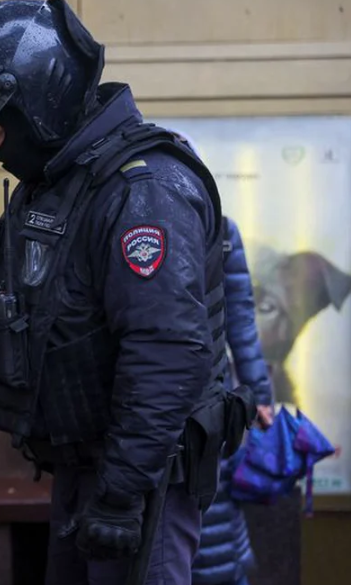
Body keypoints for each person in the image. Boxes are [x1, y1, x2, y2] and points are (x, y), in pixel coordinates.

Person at [0, 2, 254, 584]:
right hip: (84, 459)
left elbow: (168, 351)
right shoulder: (58, 184)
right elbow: (1, 294)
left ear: (37, 103)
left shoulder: (144, 189)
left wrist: (121, 491)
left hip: (145, 472)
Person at [168, 131, 274, 585]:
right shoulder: (222, 230)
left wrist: (259, 392)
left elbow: (242, 321)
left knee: (204, 517)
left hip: (178, 396)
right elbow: (242, 322)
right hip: (215, 395)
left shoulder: (147, 228)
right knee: (216, 513)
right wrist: (258, 392)